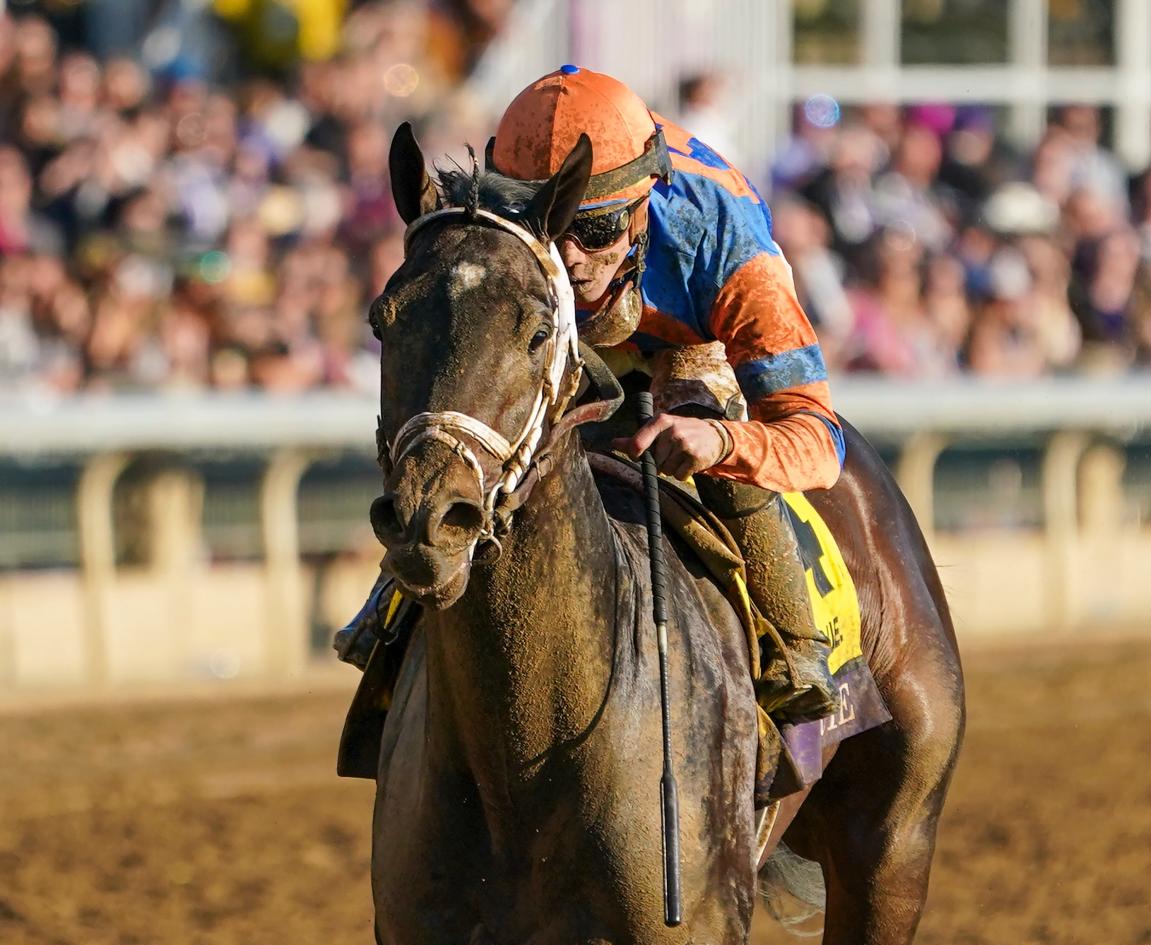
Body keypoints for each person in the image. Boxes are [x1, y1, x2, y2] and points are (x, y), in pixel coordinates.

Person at [338, 66, 847, 725]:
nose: (572, 256)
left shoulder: (729, 249)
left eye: (597, 228)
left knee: (701, 407)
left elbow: (818, 440)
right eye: (554, 223)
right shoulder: (508, 214)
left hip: (687, 339)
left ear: (643, 205)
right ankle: (397, 596)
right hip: (557, 327)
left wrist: (721, 439)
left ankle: (796, 648)